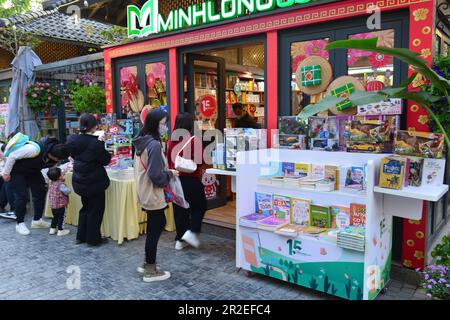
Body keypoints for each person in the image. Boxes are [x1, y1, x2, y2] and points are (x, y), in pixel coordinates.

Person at [133, 108, 178, 282]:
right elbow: (155, 175)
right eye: (163, 123)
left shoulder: (142, 141)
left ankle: (146, 263)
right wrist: (170, 174)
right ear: (154, 124)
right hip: (152, 193)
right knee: (156, 227)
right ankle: (150, 270)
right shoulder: (153, 144)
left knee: (156, 225)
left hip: (144, 191)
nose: (165, 127)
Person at [4, 135, 69, 235]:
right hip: (17, 171)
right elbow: (12, 156)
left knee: (40, 191)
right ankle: (19, 223)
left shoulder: (52, 156)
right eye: (58, 159)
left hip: (33, 171)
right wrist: (6, 173)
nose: (58, 161)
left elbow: (45, 168)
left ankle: (37, 220)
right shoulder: (33, 149)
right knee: (21, 196)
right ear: (52, 155)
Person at [66, 114, 111, 246]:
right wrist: (101, 143)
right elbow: (106, 160)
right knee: (95, 210)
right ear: (94, 127)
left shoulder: (73, 140)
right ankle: (93, 239)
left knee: (85, 207)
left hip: (80, 180)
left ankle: (81, 236)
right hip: (94, 181)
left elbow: (75, 155)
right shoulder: (95, 143)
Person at [167, 113, 206, 250]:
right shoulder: (194, 140)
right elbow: (200, 161)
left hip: (175, 180)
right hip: (191, 180)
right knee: (200, 206)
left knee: (180, 210)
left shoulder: (171, 141)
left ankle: (179, 240)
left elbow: (168, 161)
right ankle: (191, 232)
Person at [47, 166, 71, 236]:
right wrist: (69, 189)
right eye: (61, 173)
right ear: (59, 176)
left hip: (53, 205)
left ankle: (52, 229)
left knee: (55, 217)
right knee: (61, 217)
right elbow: (67, 191)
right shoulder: (60, 185)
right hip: (61, 205)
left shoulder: (51, 183)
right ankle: (61, 230)